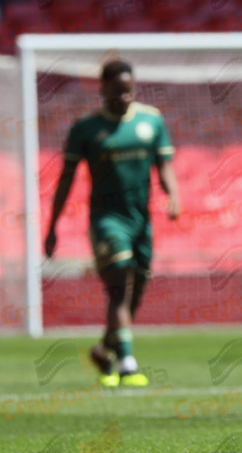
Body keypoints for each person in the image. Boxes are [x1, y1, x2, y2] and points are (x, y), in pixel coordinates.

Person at [45, 60, 180, 387]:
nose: (125, 97)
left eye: (130, 91)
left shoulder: (151, 120)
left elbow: (164, 164)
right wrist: (52, 227)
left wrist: (173, 194)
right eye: (119, 91)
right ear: (103, 88)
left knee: (136, 292)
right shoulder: (86, 128)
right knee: (119, 286)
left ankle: (104, 349)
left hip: (141, 221)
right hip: (106, 220)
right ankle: (127, 364)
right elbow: (66, 179)